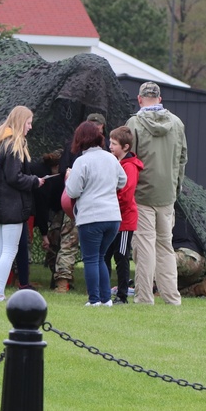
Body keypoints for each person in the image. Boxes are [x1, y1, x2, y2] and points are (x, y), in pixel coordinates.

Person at [126, 82, 188, 306]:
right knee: (165, 247)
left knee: (144, 246)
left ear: (140, 99)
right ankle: (172, 297)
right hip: (167, 194)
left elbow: (128, 160)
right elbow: (182, 159)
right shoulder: (177, 123)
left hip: (141, 195)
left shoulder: (133, 123)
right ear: (159, 99)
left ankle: (144, 297)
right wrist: (175, 187)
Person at [0, 106, 45, 302]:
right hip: (11, 206)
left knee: (1, 249)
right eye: (28, 122)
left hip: (0, 205)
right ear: (20, 122)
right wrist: (34, 181)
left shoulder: (1, 142)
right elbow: (14, 177)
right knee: (9, 250)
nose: (30, 126)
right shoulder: (14, 144)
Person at [65, 121, 126, 307]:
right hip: (113, 217)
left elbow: (73, 192)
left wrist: (69, 179)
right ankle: (106, 299)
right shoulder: (110, 158)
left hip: (92, 217)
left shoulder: (81, 162)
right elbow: (122, 182)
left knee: (91, 258)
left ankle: (94, 300)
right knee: (100, 257)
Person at [52, 114, 106, 293]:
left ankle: (65, 282)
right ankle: (64, 281)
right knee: (74, 243)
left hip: (77, 203)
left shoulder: (75, 148)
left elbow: (63, 173)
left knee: (73, 244)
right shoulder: (104, 154)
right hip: (87, 205)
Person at [105, 125, 143, 304]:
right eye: (110, 142)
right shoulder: (114, 162)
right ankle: (104, 291)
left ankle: (122, 295)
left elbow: (126, 195)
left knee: (120, 256)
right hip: (112, 217)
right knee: (105, 254)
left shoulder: (130, 167)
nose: (110, 146)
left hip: (124, 220)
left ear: (125, 147)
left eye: (114, 144)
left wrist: (110, 204)